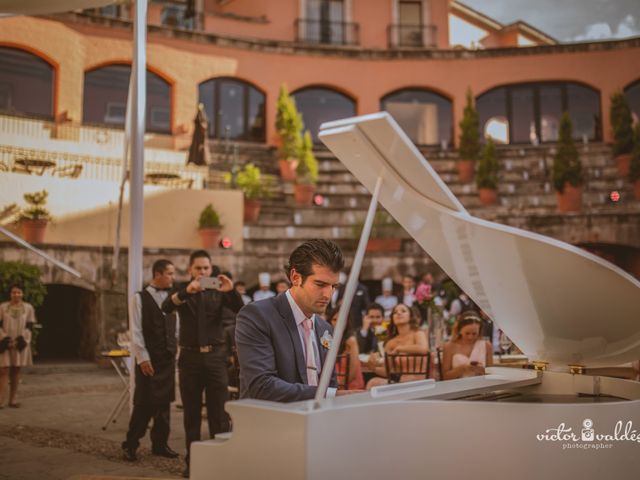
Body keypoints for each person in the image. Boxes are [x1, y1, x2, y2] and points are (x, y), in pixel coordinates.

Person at [236, 239, 354, 402]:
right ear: (295, 277)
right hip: (269, 423)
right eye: (320, 284)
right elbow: (262, 386)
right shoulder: (257, 316)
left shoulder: (325, 328)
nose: (328, 295)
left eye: (334, 287)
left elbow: (329, 383)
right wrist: (333, 395)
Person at [162, 250, 244, 477]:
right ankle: (193, 463)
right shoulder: (182, 290)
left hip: (216, 358)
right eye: (198, 268)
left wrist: (232, 291)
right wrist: (186, 292)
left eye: (206, 268)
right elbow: (166, 306)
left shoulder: (219, 290)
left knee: (219, 414)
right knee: (192, 415)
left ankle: (219, 462)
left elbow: (241, 309)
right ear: (190, 270)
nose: (202, 272)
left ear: (211, 269)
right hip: (189, 359)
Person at [122, 259, 179, 462]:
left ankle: (160, 444)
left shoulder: (174, 299)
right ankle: (130, 444)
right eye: (170, 273)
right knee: (143, 405)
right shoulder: (138, 298)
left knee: (164, 407)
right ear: (157, 274)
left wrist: (176, 351)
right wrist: (142, 358)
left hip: (167, 359)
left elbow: (175, 327)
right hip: (149, 359)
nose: (173, 277)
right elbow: (135, 332)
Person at [366, 303, 428, 389]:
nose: (399, 313)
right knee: (373, 382)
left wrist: (400, 348)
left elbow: (424, 349)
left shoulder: (418, 334)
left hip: (421, 384)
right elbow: (389, 371)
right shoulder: (391, 343)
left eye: (403, 311)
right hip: (401, 383)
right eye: (395, 312)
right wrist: (373, 368)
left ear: (410, 316)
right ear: (392, 319)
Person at [0, 284, 34, 408]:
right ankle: (0, 400)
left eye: (19, 292)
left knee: (16, 371)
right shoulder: (3, 307)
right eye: (14, 292)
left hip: (19, 343)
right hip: (5, 342)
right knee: (3, 371)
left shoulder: (28, 308)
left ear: (22, 293)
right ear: (10, 294)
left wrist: (20, 341)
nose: (16, 295)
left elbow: (29, 326)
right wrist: (6, 339)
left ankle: (12, 400)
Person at [441, 311, 493, 380]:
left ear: (479, 331)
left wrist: (482, 370)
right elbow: (445, 377)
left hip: (481, 386)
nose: (470, 337)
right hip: (457, 388)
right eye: (467, 333)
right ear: (459, 330)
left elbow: (491, 375)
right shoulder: (449, 346)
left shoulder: (487, 345)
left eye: (474, 334)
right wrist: (462, 369)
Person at [327, 308, 364, 390]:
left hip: (350, 387)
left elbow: (353, 373)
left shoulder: (351, 341)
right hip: (334, 387)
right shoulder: (327, 339)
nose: (338, 323)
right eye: (334, 319)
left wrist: (336, 387)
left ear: (347, 322)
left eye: (342, 319)